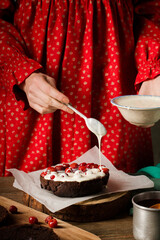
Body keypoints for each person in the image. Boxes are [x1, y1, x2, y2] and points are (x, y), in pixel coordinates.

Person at [0, 0, 160, 177]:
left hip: (114, 87)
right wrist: (23, 73)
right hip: (34, 95)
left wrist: (154, 69)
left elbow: (151, 10)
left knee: (117, 191)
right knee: (29, 195)